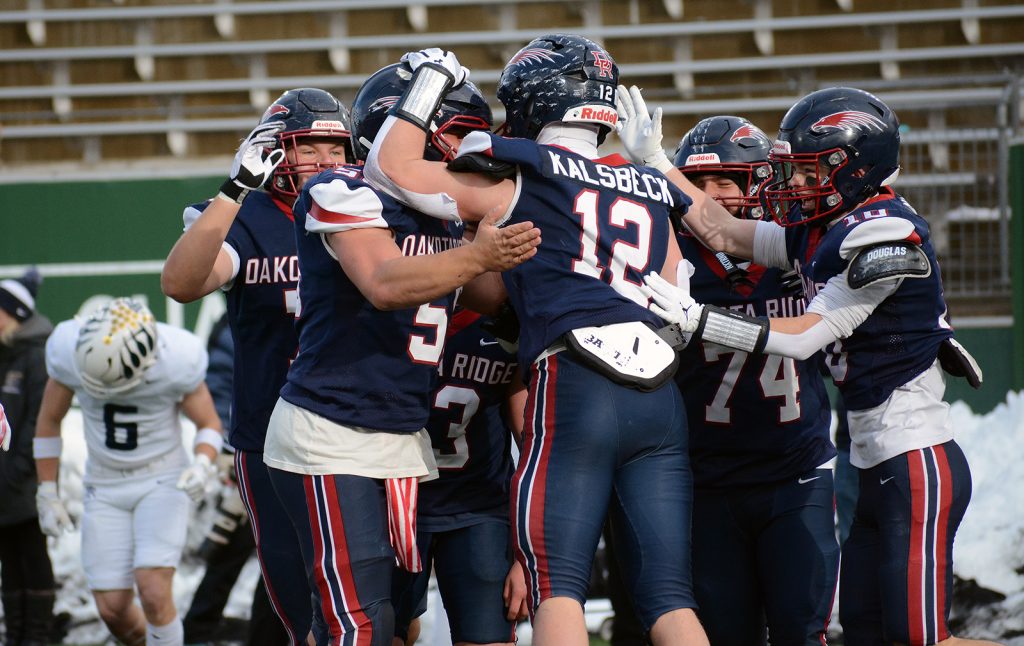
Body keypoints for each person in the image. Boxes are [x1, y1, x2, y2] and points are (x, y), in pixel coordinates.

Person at [616, 85, 996, 646]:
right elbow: (723, 231)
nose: (795, 183)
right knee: (866, 635)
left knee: (924, 640)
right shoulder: (830, 226)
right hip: (874, 460)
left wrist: (702, 323)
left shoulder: (883, 232)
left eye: (809, 169)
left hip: (914, 456)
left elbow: (804, 337)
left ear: (854, 167)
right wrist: (653, 163)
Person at [367, 38, 709, 646]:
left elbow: (389, 170)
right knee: (670, 599)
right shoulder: (650, 187)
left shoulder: (523, 172)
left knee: (559, 589)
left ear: (531, 97)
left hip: (576, 386)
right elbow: (680, 283)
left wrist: (426, 84)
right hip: (660, 396)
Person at [260, 61, 539, 645]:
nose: (468, 152)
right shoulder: (340, 189)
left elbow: (498, 301)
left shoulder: (444, 215)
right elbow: (384, 283)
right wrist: (480, 252)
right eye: (458, 134)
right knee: (355, 624)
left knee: (390, 624)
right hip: (331, 432)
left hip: (401, 439)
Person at [162, 87, 354, 644]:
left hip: (357, 426)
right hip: (271, 432)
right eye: (308, 147)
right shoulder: (246, 217)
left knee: (375, 606)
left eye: (335, 148)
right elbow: (181, 284)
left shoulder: (368, 204)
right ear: (275, 150)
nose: (325, 162)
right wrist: (234, 190)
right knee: (302, 606)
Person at [669, 116, 839, 644]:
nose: (710, 196)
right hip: (708, 482)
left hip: (796, 474)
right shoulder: (671, 260)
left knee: (800, 629)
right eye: (696, 184)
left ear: (762, 182)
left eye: (726, 181)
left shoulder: (804, 252)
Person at [34, 297, 223, 646]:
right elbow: (49, 420)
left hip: (161, 478)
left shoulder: (176, 358)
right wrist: (47, 491)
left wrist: (202, 462)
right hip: (103, 483)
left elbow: (209, 423)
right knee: (112, 609)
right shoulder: (68, 349)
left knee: (153, 591)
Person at [389, 306, 529, 646]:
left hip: (480, 506)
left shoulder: (512, 315)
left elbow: (535, 445)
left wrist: (529, 553)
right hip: (394, 502)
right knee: (389, 633)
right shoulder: (397, 299)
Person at [182, 313, 288, 646]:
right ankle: (197, 634)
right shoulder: (243, 314)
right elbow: (221, 381)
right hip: (253, 450)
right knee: (233, 550)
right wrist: (229, 444)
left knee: (278, 560)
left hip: (288, 449)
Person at [0, 269, 58, 646]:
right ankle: (17, 632)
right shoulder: (4, 354)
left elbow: (40, 421)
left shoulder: (37, 357)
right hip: (4, 484)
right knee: (9, 561)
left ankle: (38, 634)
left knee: (32, 555)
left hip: (22, 482)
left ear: (16, 315)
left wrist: (18, 472)